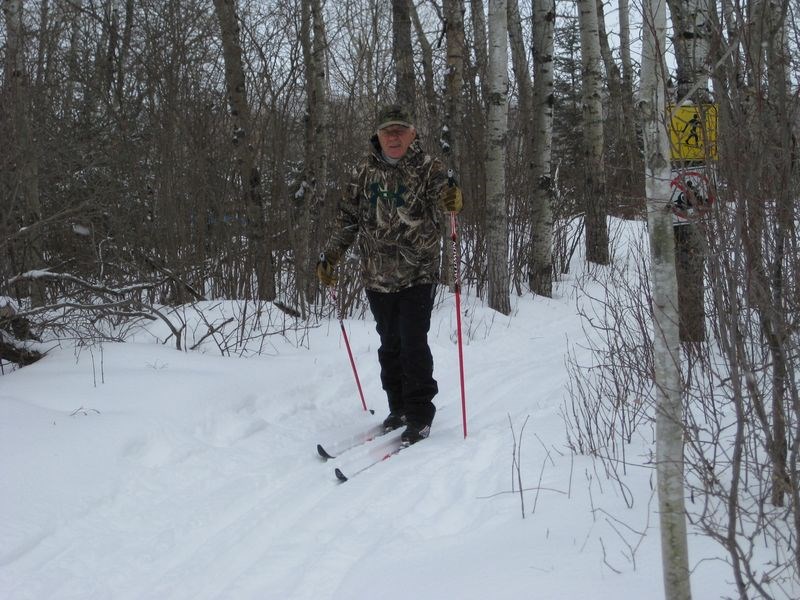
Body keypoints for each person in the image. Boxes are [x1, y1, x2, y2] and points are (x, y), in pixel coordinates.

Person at [316, 104, 463, 446]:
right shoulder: (362, 172)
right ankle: (397, 408)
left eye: (400, 130)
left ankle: (419, 414)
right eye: (387, 131)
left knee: (413, 343)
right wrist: (332, 256)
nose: (394, 137)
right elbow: (348, 220)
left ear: (412, 133)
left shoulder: (429, 168)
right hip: (376, 275)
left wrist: (453, 200)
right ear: (378, 136)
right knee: (390, 345)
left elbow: (446, 199)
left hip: (418, 272)